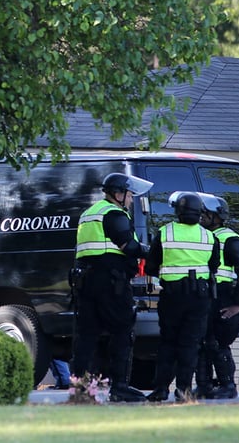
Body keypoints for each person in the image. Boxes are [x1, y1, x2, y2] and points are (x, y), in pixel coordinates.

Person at [70, 172, 153, 403]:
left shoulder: (89, 213)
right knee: (122, 331)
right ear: (118, 194)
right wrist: (152, 251)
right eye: (129, 195)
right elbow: (129, 246)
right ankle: (120, 386)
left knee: (87, 335)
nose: (131, 200)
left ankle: (81, 388)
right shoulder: (114, 214)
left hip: (86, 282)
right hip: (111, 283)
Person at [145, 192, 220, 403]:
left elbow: (151, 266)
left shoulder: (165, 232)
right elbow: (214, 266)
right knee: (190, 344)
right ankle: (183, 391)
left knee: (168, 342)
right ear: (200, 213)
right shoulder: (209, 236)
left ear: (177, 211)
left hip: (172, 296)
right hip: (199, 297)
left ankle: (161, 389)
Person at [194, 193, 239, 399]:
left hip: (223, 296)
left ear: (217, 216)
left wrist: (238, 305)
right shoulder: (201, 236)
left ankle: (228, 385)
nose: (201, 217)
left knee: (218, 343)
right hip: (205, 296)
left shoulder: (232, 240)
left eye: (205, 213)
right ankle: (203, 385)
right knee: (202, 343)